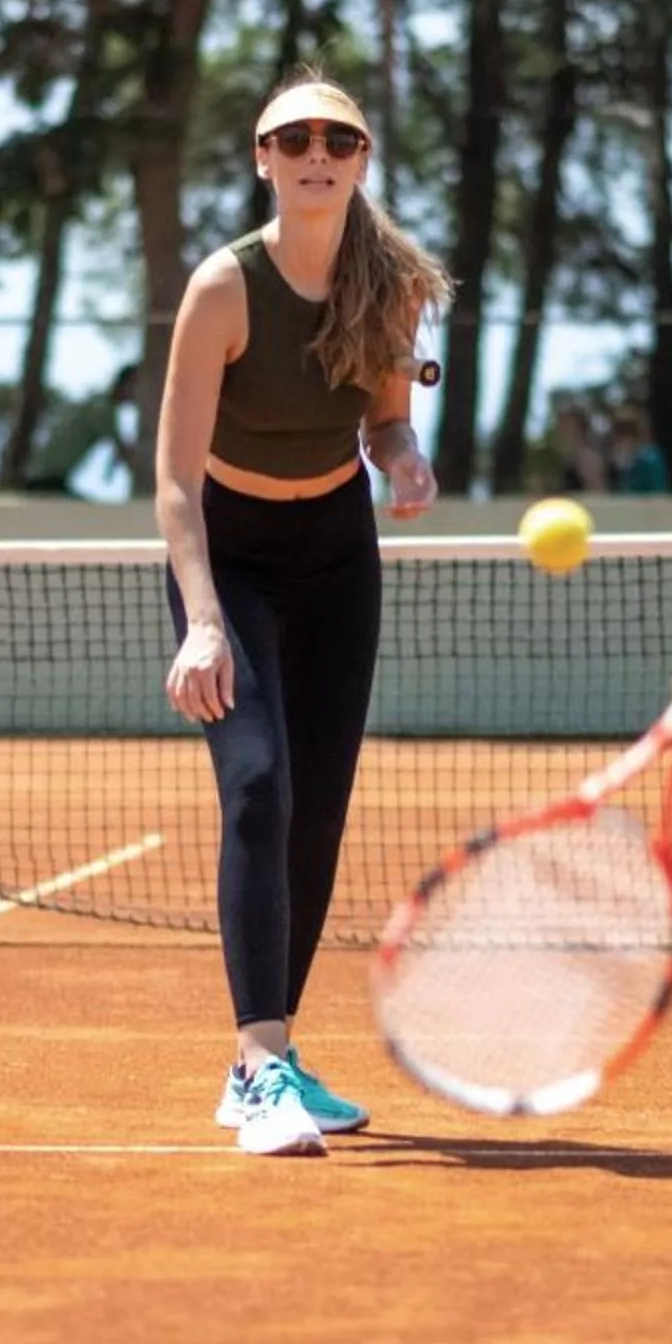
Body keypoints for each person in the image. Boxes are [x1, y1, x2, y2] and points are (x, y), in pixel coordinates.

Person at [156, 71, 448, 1157]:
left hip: (337, 557)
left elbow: (383, 430)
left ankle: (266, 1062)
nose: (316, 151)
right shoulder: (222, 291)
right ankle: (262, 1059)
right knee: (259, 784)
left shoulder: (392, 290)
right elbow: (175, 481)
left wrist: (406, 459)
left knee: (317, 813)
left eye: (339, 137)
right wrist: (201, 621)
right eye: (295, 137)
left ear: (363, 160)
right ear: (262, 158)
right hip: (226, 559)